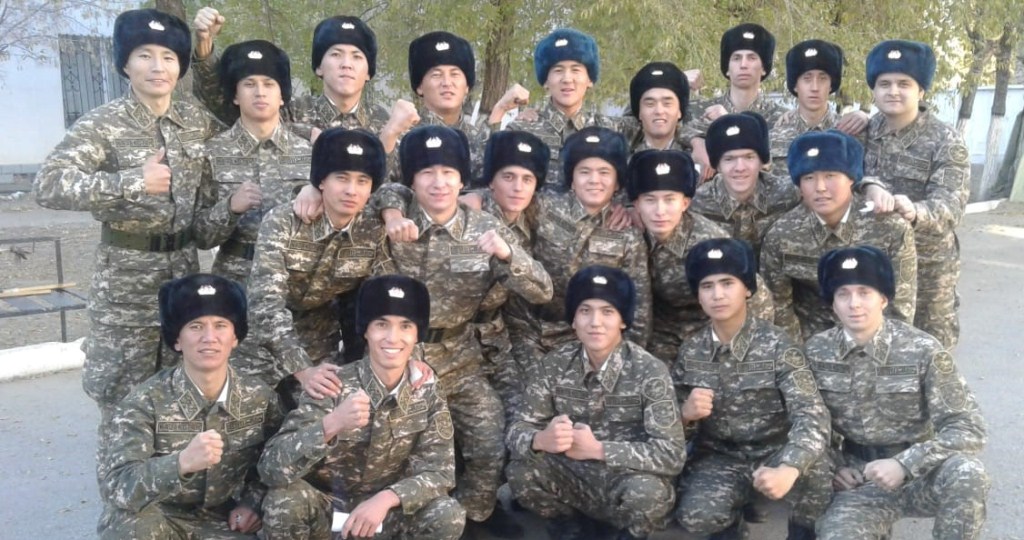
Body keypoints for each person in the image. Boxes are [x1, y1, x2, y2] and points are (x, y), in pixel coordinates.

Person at [33, 8, 222, 442]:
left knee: (183, 392)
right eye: (145, 55)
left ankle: (174, 481)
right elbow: (49, 184)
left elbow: (236, 121)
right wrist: (133, 182)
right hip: (124, 286)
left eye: (169, 57)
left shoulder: (195, 122)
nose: (158, 67)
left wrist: (206, 50)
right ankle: (122, 484)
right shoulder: (104, 123)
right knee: (122, 400)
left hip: (183, 277)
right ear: (125, 64)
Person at [379, 124, 554, 533]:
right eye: (427, 173)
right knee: (399, 447)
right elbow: (378, 192)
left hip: (462, 358)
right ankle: (408, 518)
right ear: (412, 181)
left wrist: (509, 255)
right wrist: (390, 211)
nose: (438, 183)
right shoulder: (394, 225)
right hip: (400, 360)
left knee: (489, 436)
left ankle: (476, 514)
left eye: (448, 173)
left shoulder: (484, 229)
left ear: (463, 181)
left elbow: (542, 290)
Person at [259, 275, 465, 540]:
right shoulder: (332, 384)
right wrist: (332, 424)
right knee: (283, 500)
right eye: (381, 324)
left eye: (405, 326)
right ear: (366, 330)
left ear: (417, 335)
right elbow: (271, 470)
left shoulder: (426, 388)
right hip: (328, 513)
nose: (393, 337)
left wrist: (387, 498)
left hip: (385, 515)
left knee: (448, 514)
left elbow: (440, 472)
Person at [808, 246, 989, 539]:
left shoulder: (922, 349)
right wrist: (833, 466)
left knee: (968, 473)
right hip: (861, 479)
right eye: (843, 294)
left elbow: (969, 427)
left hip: (923, 472)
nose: (854, 303)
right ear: (832, 303)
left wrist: (905, 463)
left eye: (865, 292)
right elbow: (804, 421)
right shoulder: (816, 352)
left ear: (883, 298)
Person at [507, 266, 686, 540]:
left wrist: (600, 449)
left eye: (607, 312)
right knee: (521, 472)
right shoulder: (555, 364)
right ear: (573, 320)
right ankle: (570, 524)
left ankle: (628, 532)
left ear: (623, 321)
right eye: (585, 311)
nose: (595, 322)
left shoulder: (649, 371)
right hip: (573, 476)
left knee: (649, 494)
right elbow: (516, 429)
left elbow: (672, 454)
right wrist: (540, 439)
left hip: (624, 477)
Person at [99, 273, 282, 539]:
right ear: (177, 340)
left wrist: (251, 502)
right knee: (131, 525)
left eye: (221, 325)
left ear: (235, 338)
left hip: (222, 520)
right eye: (195, 326)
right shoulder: (144, 402)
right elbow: (117, 485)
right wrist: (180, 463)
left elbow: (273, 461)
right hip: (159, 515)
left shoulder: (259, 397)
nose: (209, 337)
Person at [671, 238, 829, 539]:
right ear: (698, 296)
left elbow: (812, 414)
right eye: (707, 286)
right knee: (697, 516)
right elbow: (666, 424)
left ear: (747, 288)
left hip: (775, 449)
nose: (718, 294)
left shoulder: (779, 346)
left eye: (727, 283)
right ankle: (733, 525)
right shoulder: (691, 351)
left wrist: (790, 467)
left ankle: (803, 532)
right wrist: (684, 415)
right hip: (721, 455)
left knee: (819, 477)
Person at [242, 128, 394, 400]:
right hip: (260, 342)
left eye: (362, 181)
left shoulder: (373, 230)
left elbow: (384, 303)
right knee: (248, 412)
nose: (351, 190)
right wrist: (301, 369)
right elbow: (265, 303)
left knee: (324, 409)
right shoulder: (284, 221)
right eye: (341, 178)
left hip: (320, 339)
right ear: (321, 181)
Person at [861, 39, 971, 349]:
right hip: (872, 266)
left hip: (928, 271)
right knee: (874, 355)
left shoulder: (945, 140)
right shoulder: (862, 134)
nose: (893, 91)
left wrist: (916, 211)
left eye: (904, 84)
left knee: (932, 354)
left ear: (921, 90)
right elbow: (845, 178)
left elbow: (951, 203)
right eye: (884, 84)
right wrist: (868, 184)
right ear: (874, 90)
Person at [761, 129, 918, 341]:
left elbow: (900, 307)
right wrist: (796, 353)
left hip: (875, 339)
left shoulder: (889, 228)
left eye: (830, 176)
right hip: (811, 340)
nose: (820, 187)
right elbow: (779, 307)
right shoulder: (782, 235)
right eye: (809, 178)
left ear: (852, 179)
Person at [626, 148, 773, 363]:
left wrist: (746, 350)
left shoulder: (708, 243)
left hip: (709, 332)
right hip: (661, 335)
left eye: (670, 199)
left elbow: (757, 297)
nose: (660, 211)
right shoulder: (629, 236)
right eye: (650, 200)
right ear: (636, 204)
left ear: (685, 203)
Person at [192, 39, 312, 287]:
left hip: (295, 283)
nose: (260, 92)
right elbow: (200, 237)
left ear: (282, 96)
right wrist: (229, 208)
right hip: (234, 285)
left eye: (269, 84)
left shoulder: (310, 152)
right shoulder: (213, 152)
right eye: (249, 84)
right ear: (235, 96)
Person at [192, 9, 392, 133]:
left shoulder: (384, 123)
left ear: (368, 72)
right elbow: (226, 106)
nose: (346, 64)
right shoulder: (292, 112)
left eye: (357, 56)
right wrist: (204, 45)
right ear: (319, 67)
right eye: (336, 54)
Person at [507, 28, 621, 188]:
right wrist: (500, 109)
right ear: (545, 81)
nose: (567, 79)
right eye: (558, 70)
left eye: (576, 70)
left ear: (590, 79)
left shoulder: (609, 131)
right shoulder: (521, 131)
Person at [689, 112, 799, 258]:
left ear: (762, 162)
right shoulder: (697, 203)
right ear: (718, 166)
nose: (740, 167)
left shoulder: (788, 194)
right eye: (729, 159)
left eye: (749, 157)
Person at [687, 23, 787, 180]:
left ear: (764, 68)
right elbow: (652, 124)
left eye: (752, 58)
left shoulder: (782, 119)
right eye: (736, 58)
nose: (743, 65)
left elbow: (780, 177)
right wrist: (675, 81)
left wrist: (728, 120)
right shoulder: (698, 110)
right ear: (727, 68)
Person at [770, 39, 864, 180]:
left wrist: (863, 116)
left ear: (831, 85)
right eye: (807, 79)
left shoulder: (849, 133)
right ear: (795, 85)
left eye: (822, 78)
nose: (814, 87)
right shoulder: (775, 134)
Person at [626, 61, 692, 155]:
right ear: (639, 112)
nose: (659, 111)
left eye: (667, 103)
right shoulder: (620, 157)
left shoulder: (697, 154)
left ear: (679, 111)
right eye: (650, 104)